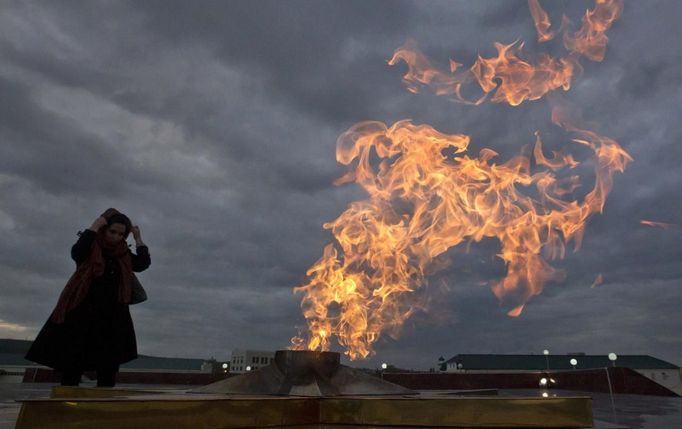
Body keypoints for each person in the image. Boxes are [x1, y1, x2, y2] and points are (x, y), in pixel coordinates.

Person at [25, 208, 151, 387]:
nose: (115, 237)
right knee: (73, 364)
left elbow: (142, 264)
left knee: (108, 367)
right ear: (104, 230)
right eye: (112, 231)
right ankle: (66, 407)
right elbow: (77, 251)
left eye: (121, 234)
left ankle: (101, 409)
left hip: (113, 317)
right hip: (83, 313)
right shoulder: (91, 247)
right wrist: (95, 224)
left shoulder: (123, 254)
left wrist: (138, 238)